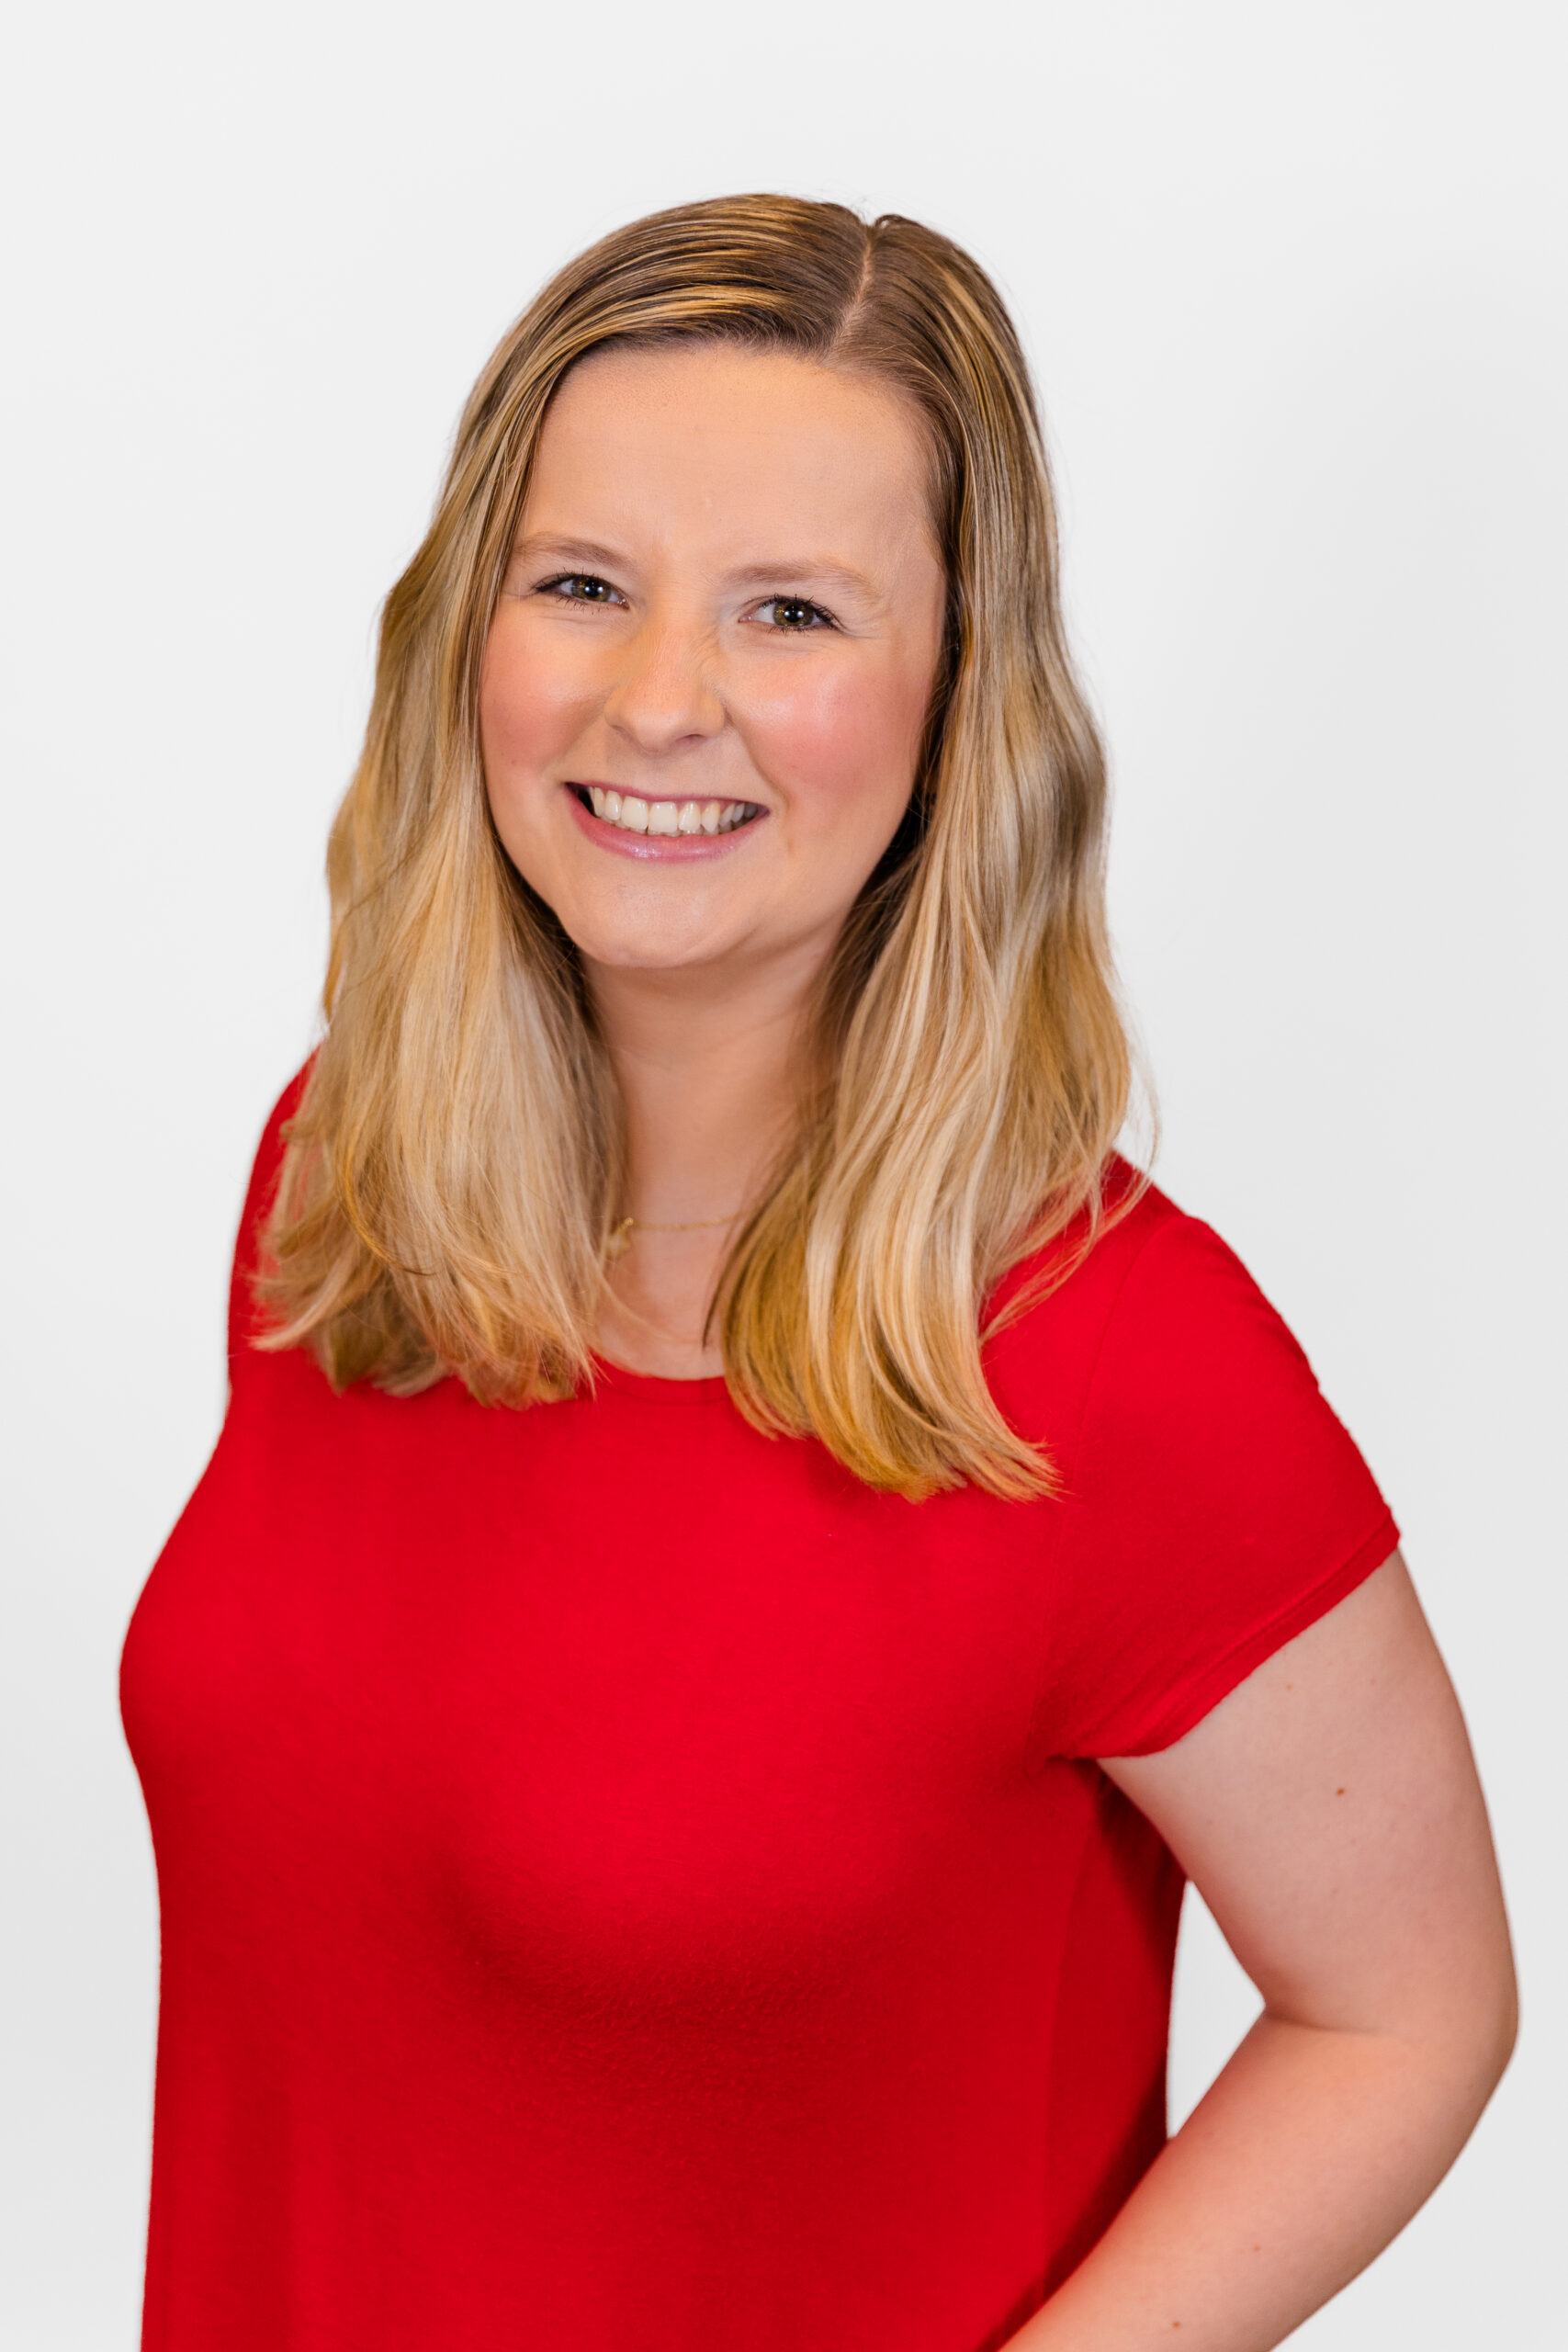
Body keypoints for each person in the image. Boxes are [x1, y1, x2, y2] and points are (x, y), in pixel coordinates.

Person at [118, 195, 1516, 2352]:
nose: (660, 696)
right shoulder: (344, 1187)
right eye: (581, 583)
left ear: (958, 697)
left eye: (789, 610)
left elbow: (1405, 2009)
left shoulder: (1113, 1359)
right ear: (461, 637)